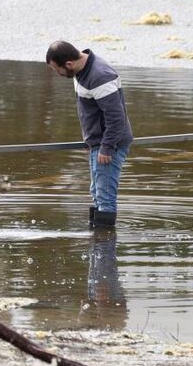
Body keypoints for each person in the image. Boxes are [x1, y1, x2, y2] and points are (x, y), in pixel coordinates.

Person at [45, 41, 134, 228]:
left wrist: (107, 147)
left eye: (57, 70)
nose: (58, 74)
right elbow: (90, 111)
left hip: (110, 144)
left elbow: (116, 117)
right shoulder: (80, 71)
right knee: (96, 193)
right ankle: (97, 239)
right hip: (98, 143)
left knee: (105, 196)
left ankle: (105, 242)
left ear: (69, 64)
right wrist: (91, 141)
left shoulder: (99, 76)